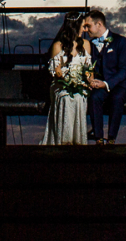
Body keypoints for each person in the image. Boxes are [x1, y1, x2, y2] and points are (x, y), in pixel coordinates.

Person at [40, 11, 93, 145]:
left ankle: (77, 140)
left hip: (80, 85)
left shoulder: (86, 44)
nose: (84, 29)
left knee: (78, 97)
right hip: (61, 85)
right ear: (75, 26)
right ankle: (64, 140)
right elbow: (57, 72)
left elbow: (89, 69)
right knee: (66, 97)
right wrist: (69, 81)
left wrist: (86, 80)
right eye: (82, 25)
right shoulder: (58, 46)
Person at [85, 9, 126, 144]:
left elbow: (124, 70)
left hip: (121, 85)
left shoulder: (120, 41)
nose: (86, 29)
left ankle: (112, 138)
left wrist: (106, 84)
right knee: (95, 97)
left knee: (117, 97)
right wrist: (91, 80)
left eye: (88, 26)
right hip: (100, 86)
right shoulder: (90, 45)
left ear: (99, 24)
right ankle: (99, 138)